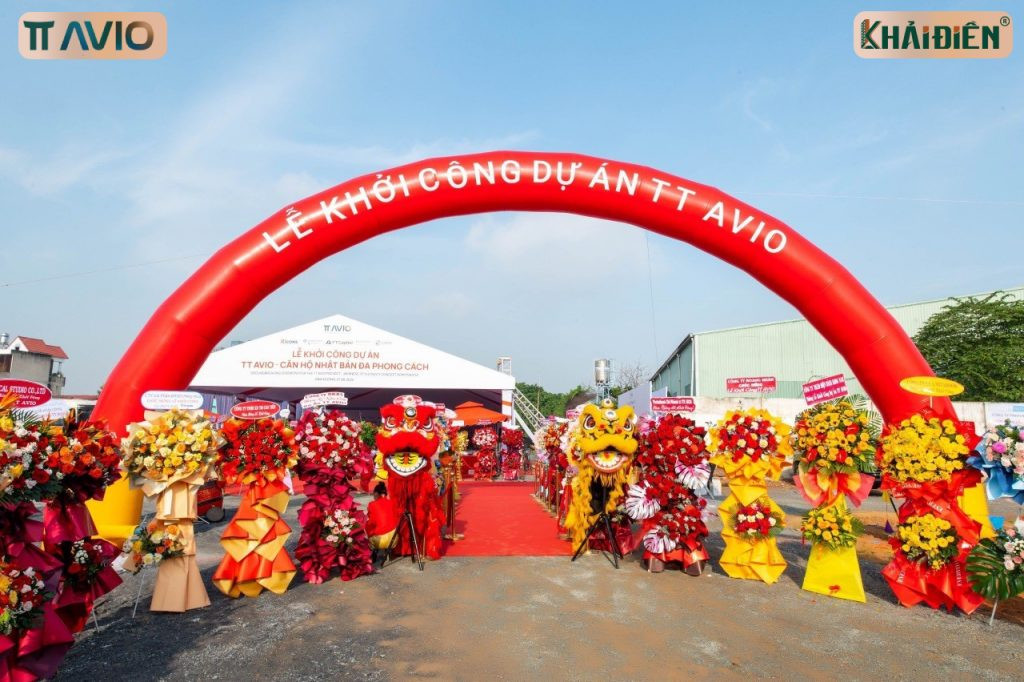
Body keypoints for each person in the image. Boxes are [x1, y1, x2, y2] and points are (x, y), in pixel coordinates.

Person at [365, 483, 398, 563]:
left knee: (367, 524)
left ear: (376, 493)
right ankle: (390, 552)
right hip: (394, 538)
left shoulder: (372, 504)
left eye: (373, 494)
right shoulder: (392, 502)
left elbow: (371, 522)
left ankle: (375, 551)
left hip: (380, 540)